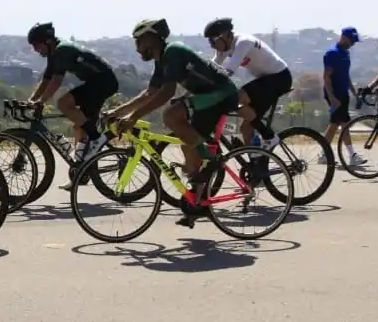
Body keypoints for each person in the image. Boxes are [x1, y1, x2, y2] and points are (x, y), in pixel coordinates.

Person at [105, 18, 239, 224]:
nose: (137, 48)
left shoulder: (173, 52)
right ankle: (198, 204)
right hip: (206, 97)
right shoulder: (162, 60)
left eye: (139, 41)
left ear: (151, 39)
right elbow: (149, 93)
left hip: (221, 94)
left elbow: (166, 93)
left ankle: (211, 159)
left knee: (171, 115)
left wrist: (133, 117)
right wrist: (117, 111)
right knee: (188, 146)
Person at [25, 21, 119, 186]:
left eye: (36, 45)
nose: (35, 49)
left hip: (103, 82)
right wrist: (31, 100)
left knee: (64, 103)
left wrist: (41, 101)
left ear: (47, 41)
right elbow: (46, 80)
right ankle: (80, 173)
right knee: (80, 128)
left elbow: (56, 81)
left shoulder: (62, 50)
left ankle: (97, 138)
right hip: (95, 82)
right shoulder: (54, 52)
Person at [204, 17, 290, 150]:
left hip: (279, 77)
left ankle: (269, 136)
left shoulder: (243, 42)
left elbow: (228, 71)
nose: (211, 45)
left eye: (212, 40)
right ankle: (256, 159)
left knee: (236, 97)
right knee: (246, 128)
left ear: (225, 35)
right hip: (265, 80)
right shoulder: (224, 46)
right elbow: (213, 68)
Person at [321, 27, 366, 166]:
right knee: (343, 124)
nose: (353, 44)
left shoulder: (346, 53)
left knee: (335, 124)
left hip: (343, 93)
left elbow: (346, 76)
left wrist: (354, 92)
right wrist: (332, 98)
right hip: (335, 95)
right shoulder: (332, 53)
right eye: (352, 41)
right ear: (344, 37)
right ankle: (352, 155)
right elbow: (326, 77)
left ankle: (324, 154)